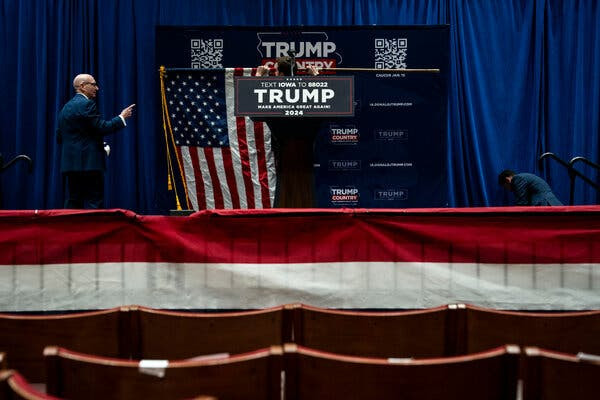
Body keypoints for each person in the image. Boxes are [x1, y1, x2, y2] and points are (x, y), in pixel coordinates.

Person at [56, 73, 135, 208]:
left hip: (70, 164)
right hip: (89, 163)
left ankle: (71, 228)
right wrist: (121, 117)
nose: (97, 88)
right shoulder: (87, 104)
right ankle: (95, 229)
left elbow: (60, 136)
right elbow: (102, 128)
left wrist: (93, 144)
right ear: (82, 86)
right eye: (93, 84)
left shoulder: (65, 108)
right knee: (95, 201)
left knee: (73, 201)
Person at [498, 169, 563, 206]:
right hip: (549, 202)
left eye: (506, 187)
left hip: (543, 203)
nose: (509, 190)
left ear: (507, 180)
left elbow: (522, 202)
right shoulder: (523, 177)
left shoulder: (517, 179)